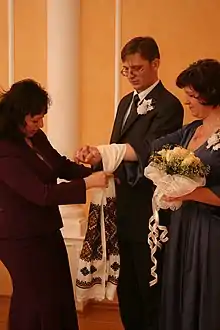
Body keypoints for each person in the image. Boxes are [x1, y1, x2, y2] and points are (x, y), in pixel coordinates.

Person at [80, 58, 220, 330]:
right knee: (179, 290)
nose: (187, 102)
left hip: (210, 232)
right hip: (181, 227)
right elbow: (147, 149)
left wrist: (192, 193)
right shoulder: (191, 130)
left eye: (191, 96)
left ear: (210, 94)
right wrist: (103, 153)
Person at [76, 36, 184, 330]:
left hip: (148, 211)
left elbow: (152, 151)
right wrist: (96, 158)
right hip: (121, 209)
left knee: (149, 286)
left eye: (136, 68)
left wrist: (107, 152)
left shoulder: (170, 105)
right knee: (126, 288)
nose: (131, 75)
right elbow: (118, 150)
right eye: (126, 70)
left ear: (155, 64)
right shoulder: (125, 102)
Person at [0, 79, 110, 330]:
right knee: (34, 298)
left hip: (44, 228)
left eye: (41, 119)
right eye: (35, 119)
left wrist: (91, 167)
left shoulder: (36, 137)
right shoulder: (4, 149)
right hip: (16, 235)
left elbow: (58, 165)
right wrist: (88, 184)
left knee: (57, 291)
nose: (39, 125)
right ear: (17, 115)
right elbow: (42, 194)